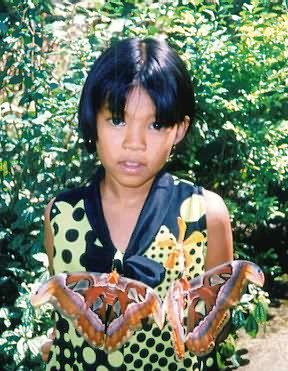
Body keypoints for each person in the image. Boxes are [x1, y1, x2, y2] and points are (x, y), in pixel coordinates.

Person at [42, 37, 233, 371]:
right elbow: (63, 314)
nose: (134, 143)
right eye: (117, 119)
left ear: (178, 130)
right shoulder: (60, 215)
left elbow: (216, 328)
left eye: (156, 124)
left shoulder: (205, 214)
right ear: (93, 121)